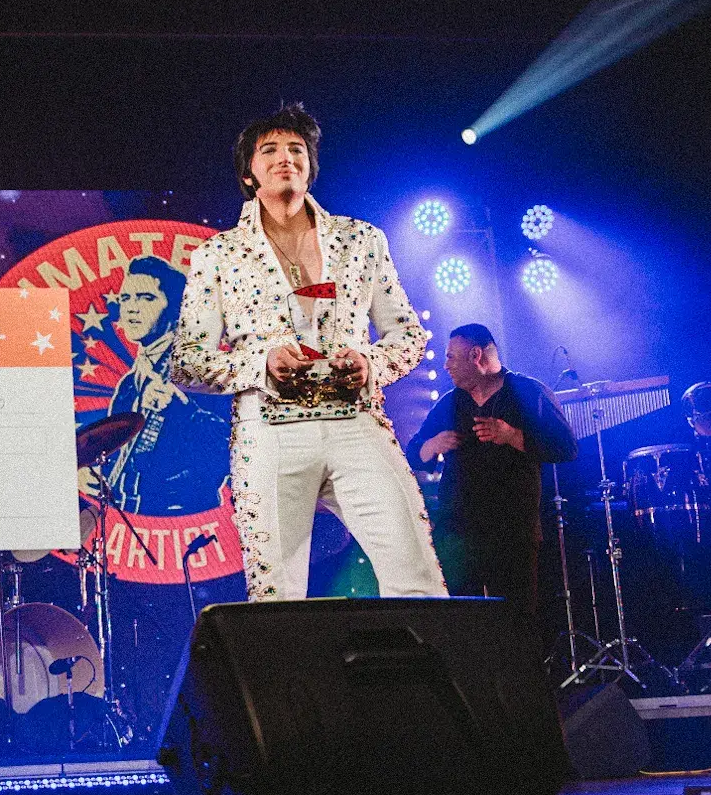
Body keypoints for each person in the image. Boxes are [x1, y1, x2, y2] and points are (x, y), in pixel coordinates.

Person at [170, 103, 447, 600]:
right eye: (270, 150)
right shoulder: (219, 254)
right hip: (269, 432)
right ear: (248, 173)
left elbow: (409, 334)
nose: (285, 159)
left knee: (417, 576)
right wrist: (261, 364)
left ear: (311, 167)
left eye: (296, 149)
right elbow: (186, 360)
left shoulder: (362, 240)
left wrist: (371, 363)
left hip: (357, 424)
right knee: (277, 596)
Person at [404, 323, 576, 615]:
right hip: (457, 531)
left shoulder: (527, 392)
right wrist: (432, 444)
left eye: (451, 357)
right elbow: (412, 455)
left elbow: (567, 447)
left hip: (512, 530)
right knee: (461, 619)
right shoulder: (450, 403)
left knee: (516, 619)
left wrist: (513, 436)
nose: (446, 366)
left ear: (475, 355)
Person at [99, 256, 229, 516]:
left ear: (174, 309)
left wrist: (183, 411)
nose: (132, 309)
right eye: (126, 299)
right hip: (132, 518)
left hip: (186, 519)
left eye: (146, 298)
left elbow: (231, 448)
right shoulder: (128, 385)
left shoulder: (198, 363)